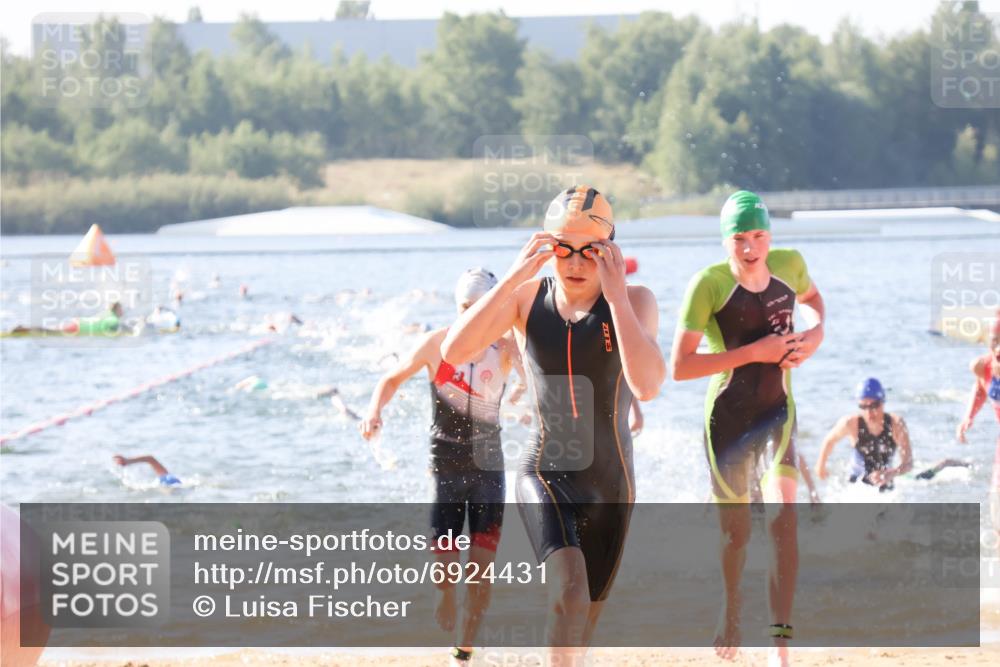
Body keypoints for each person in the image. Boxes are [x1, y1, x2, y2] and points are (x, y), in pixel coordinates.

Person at [442, 186, 665, 667]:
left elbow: (647, 386)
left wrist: (618, 296)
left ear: (610, 249)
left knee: (581, 622)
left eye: (590, 250)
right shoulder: (526, 299)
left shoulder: (635, 301)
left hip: (612, 484)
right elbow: (454, 351)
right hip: (544, 471)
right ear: (548, 246)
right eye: (564, 247)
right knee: (568, 591)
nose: (576, 262)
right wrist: (518, 274)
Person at [671, 190, 825, 666]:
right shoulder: (708, 285)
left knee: (784, 521)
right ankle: (732, 607)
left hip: (779, 410)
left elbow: (816, 303)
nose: (750, 247)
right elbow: (680, 366)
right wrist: (753, 353)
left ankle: (781, 644)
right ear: (725, 242)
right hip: (728, 422)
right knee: (736, 537)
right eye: (739, 238)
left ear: (770, 235)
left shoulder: (791, 264)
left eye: (757, 235)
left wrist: (814, 337)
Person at [359, 268, 526, 666]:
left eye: (480, 307)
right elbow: (391, 378)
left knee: (482, 569)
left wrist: (530, 390)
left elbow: (539, 386)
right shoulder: (436, 344)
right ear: (457, 307)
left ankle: (462, 653)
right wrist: (374, 411)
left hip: (488, 465)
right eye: (465, 307)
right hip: (445, 464)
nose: (471, 315)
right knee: (445, 567)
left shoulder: (506, 348)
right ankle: (444, 592)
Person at [815, 378, 969, 491]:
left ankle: (946, 463)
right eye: (863, 406)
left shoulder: (896, 424)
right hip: (857, 482)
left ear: (883, 403)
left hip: (886, 479)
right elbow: (829, 441)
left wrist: (891, 474)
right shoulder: (851, 423)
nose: (869, 412)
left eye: (874, 405)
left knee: (921, 479)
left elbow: (908, 463)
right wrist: (820, 466)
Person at [956, 313, 1000, 540]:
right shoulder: (983, 367)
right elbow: (982, 389)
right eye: (995, 340)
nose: (999, 347)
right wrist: (968, 417)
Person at [12, 301, 127, 336]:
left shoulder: (107, 313)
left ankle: (25, 329)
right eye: (121, 309)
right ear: (116, 310)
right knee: (50, 332)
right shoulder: (112, 318)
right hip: (79, 328)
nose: (123, 311)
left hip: (79, 323)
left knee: (51, 330)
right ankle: (24, 329)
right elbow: (113, 326)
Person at [112, 454, 181, 487]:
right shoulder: (166, 476)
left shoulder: (165, 476)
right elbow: (150, 459)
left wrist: (128, 461)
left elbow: (149, 458)